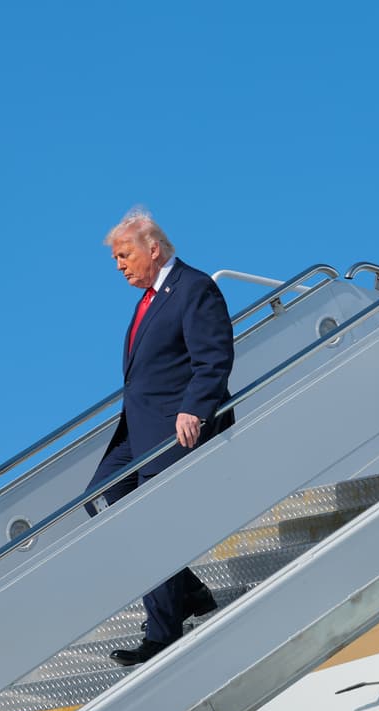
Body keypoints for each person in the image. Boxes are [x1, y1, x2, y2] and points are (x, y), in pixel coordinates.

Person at [84, 208, 236, 667]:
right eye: (115, 259)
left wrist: (196, 408)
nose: (119, 266)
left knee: (152, 522)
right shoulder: (147, 301)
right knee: (99, 498)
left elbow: (214, 356)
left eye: (124, 255)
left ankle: (163, 631)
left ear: (153, 249)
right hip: (138, 431)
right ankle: (187, 590)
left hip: (175, 428)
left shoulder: (193, 288)